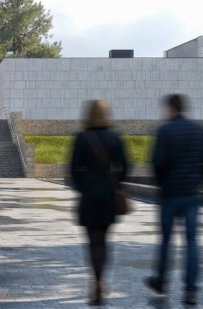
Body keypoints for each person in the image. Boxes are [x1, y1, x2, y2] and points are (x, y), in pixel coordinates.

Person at [146, 94, 203, 306]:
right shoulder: (199, 130)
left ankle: (161, 282)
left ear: (171, 108)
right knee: (191, 242)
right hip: (192, 194)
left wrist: (162, 184)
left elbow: (157, 163)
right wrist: (197, 179)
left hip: (169, 195)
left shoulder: (164, 131)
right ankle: (191, 291)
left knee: (166, 240)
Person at [69, 100, 129, 305]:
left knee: (93, 242)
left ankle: (95, 282)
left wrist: (83, 186)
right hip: (108, 195)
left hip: (89, 195)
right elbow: (125, 167)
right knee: (104, 241)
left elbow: (73, 170)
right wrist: (116, 183)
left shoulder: (82, 138)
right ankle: (101, 280)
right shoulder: (114, 137)